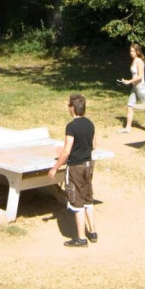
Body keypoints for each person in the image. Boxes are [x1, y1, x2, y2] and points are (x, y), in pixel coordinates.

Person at [48, 93, 98, 247]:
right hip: (88, 165)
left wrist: (55, 168)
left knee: (77, 203)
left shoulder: (71, 127)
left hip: (75, 167)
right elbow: (94, 145)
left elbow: (67, 151)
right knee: (88, 199)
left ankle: (81, 238)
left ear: (72, 108)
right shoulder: (90, 124)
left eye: (69, 105)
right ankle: (93, 232)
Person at [117, 43, 145, 133]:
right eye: (130, 51)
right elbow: (135, 77)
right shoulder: (134, 61)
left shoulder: (139, 61)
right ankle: (128, 128)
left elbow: (140, 76)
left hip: (141, 88)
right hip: (135, 88)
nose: (131, 52)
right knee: (129, 106)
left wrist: (129, 81)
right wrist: (128, 82)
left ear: (137, 51)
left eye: (133, 51)